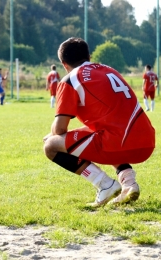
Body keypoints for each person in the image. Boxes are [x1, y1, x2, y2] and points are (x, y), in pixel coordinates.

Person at [43, 37, 155, 207]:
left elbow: (59, 129)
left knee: (50, 146)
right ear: (89, 56)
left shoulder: (70, 79)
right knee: (102, 134)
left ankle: (105, 185)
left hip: (117, 141)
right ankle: (129, 184)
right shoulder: (109, 70)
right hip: (146, 141)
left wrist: (51, 135)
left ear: (64, 65)